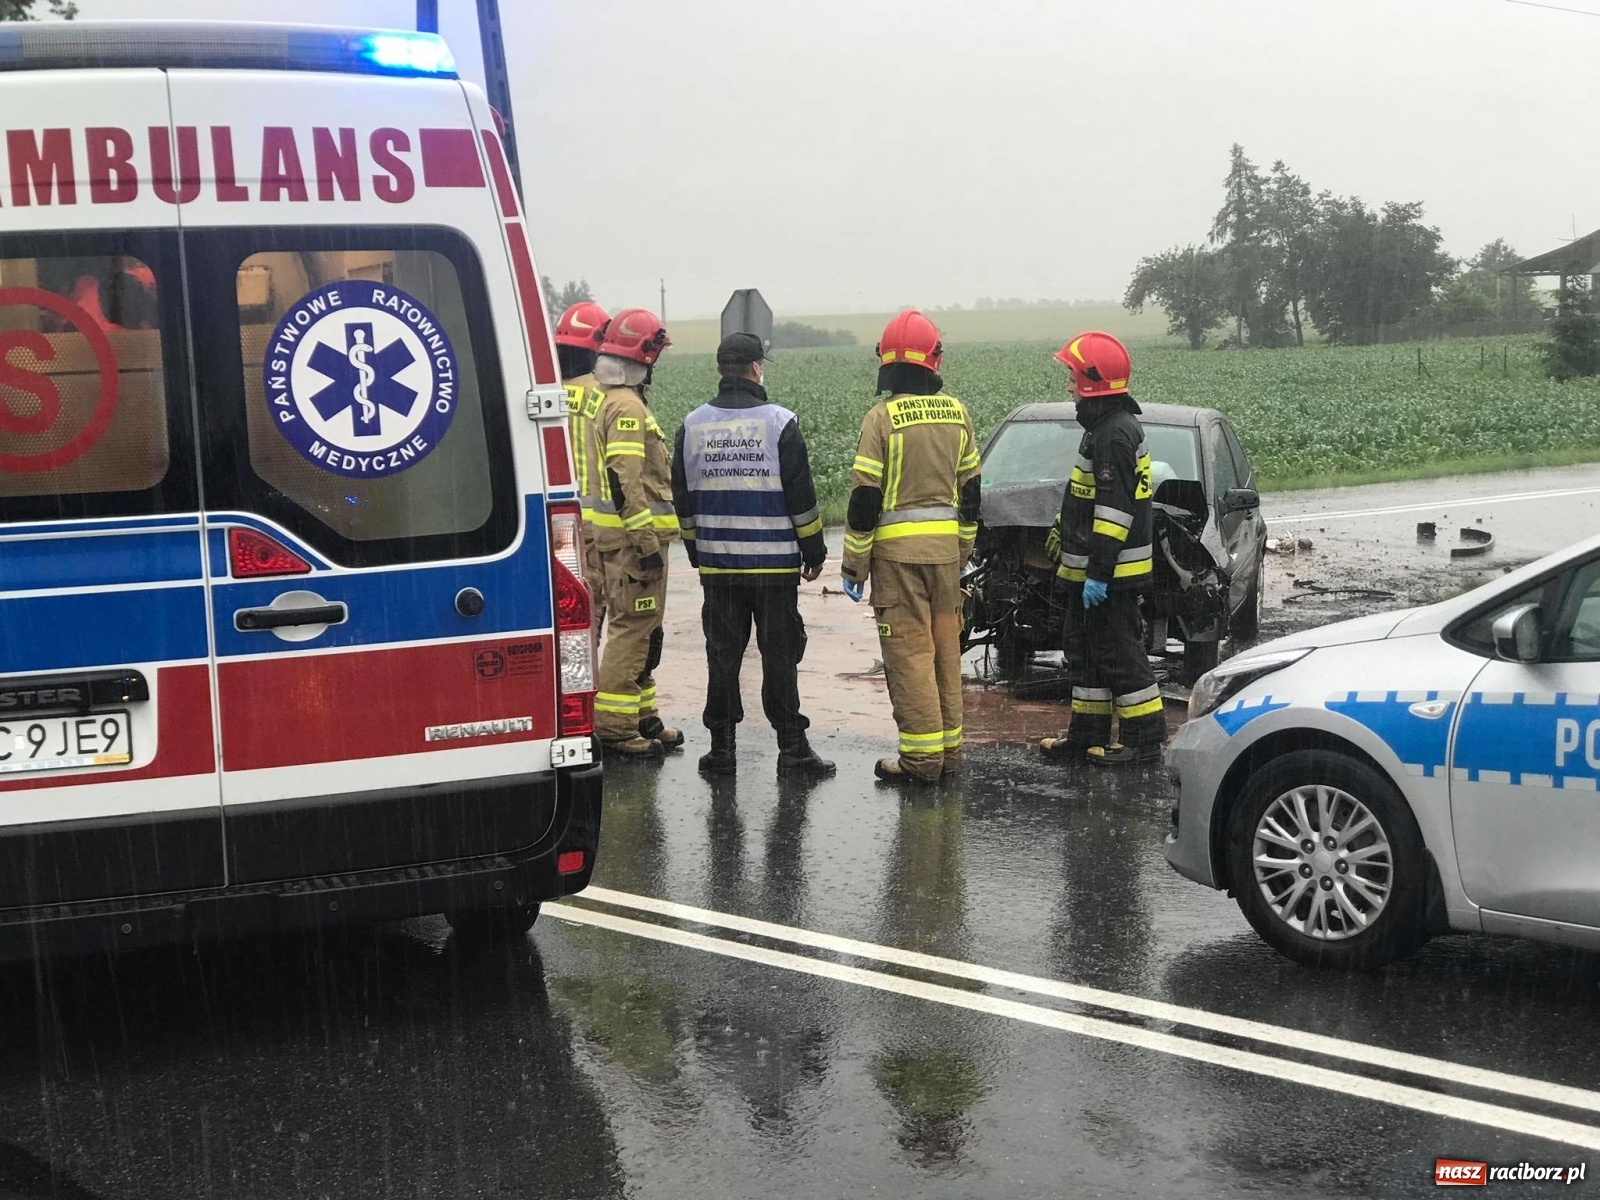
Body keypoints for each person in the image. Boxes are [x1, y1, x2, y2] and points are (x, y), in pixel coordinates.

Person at [671, 332, 836, 780]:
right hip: (773, 567)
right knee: (779, 657)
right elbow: (801, 497)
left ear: (720, 369)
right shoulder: (780, 423)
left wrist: (695, 550)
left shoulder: (692, 425)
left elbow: (682, 500)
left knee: (722, 657)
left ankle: (721, 750)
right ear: (757, 369)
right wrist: (814, 551)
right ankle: (793, 749)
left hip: (719, 567)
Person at [839, 310, 982, 785]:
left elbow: (864, 500)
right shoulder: (957, 413)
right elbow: (972, 494)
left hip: (898, 564)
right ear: (933, 360)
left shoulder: (881, 419)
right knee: (945, 654)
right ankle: (950, 754)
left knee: (910, 657)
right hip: (946, 560)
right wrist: (963, 551)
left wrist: (854, 566)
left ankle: (921, 762)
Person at [1038, 331, 1164, 767]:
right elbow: (1089, 498)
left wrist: (1098, 574)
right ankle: (1086, 736)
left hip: (1112, 576)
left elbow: (1114, 512)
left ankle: (1143, 741)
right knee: (1087, 654)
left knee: (1120, 655)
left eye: (1073, 378)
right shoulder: (1104, 428)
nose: (1069, 387)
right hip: (1095, 572)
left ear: (1093, 383)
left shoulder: (1113, 435)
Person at [589, 307, 685, 759]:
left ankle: (643, 717)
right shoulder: (627, 406)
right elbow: (625, 479)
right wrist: (647, 545)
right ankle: (614, 727)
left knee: (646, 630)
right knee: (631, 631)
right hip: (634, 546)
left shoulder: (615, 400)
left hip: (624, 542)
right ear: (644, 355)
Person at [555, 300, 610, 629]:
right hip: (593, 524)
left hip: (550, 520)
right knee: (592, 608)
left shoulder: (545, 391)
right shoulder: (604, 396)